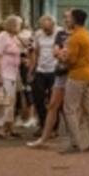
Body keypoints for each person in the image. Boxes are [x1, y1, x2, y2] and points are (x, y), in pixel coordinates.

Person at [60, 8, 89, 153]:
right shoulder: (88, 34)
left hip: (78, 75)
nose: (67, 20)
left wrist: (60, 56)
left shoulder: (75, 37)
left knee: (70, 109)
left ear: (74, 20)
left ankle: (75, 144)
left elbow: (71, 60)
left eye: (69, 18)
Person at [28, 15, 70, 148]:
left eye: (48, 29)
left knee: (54, 101)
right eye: (44, 29)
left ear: (53, 25)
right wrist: (32, 69)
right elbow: (35, 52)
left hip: (54, 70)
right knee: (38, 98)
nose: (46, 31)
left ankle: (54, 128)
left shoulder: (60, 32)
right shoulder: (38, 34)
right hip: (41, 69)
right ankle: (43, 125)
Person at [0, 15, 24, 139]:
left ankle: (10, 127)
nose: (20, 27)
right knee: (2, 101)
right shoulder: (2, 36)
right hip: (3, 73)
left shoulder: (14, 38)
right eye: (19, 25)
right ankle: (0, 128)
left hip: (12, 73)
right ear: (12, 25)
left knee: (11, 102)